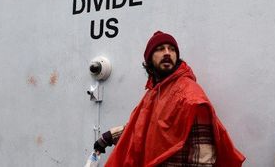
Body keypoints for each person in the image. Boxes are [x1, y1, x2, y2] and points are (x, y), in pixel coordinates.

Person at [93, 31, 245, 166]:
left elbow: (203, 155)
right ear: (149, 59)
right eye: (160, 49)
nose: (167, 53)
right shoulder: (155, 91)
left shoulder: (189, 94)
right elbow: (142, 129)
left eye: (172, 49)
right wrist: (109, 137)